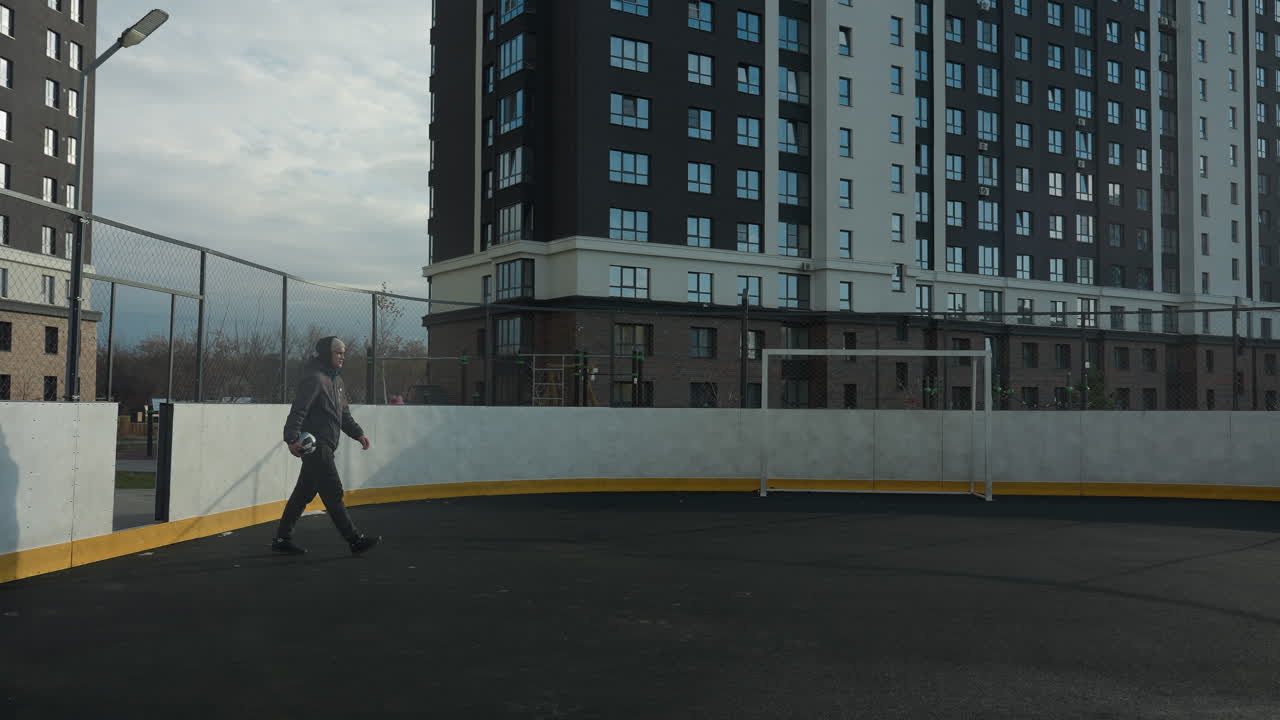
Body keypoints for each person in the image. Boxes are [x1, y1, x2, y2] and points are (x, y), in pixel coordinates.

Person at [272, 336, 381, 556]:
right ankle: (354, 540)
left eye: (343, 353)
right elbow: (298, 411)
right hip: (316, 446)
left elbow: (344, 415)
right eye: (338, 353)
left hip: (328, 446)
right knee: (333, 491)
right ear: (325, 355)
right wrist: (291, 438)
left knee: (302, 494)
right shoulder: (314, 379)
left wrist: (358, 434)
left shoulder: (337, 382)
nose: (342, 357)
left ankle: (282, 538)